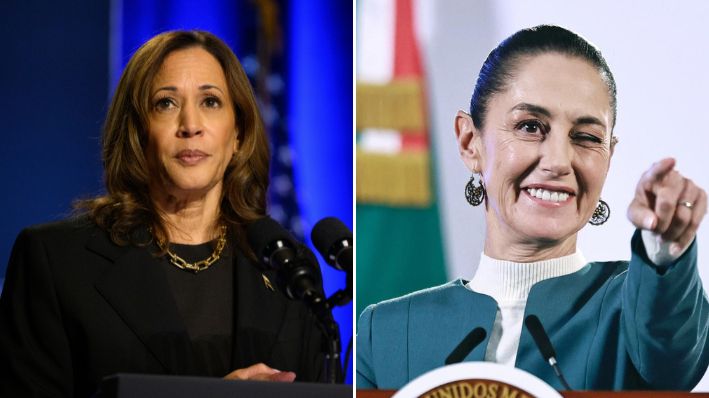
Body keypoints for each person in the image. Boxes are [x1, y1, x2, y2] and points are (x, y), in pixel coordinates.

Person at [357, 25, 709, 390]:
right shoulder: (386, 333)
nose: (558, 161)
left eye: (586, 137)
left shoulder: (630, 312)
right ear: (469, 142)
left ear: (609, 156)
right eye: (529, 126)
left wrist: (665, 246)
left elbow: (671, 355)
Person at [0, 30, 325, 397]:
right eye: (166, 104)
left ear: (238, 134)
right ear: (137, 131)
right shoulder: (56, 262)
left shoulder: (287, 269)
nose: (190, 125)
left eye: (211, 102)